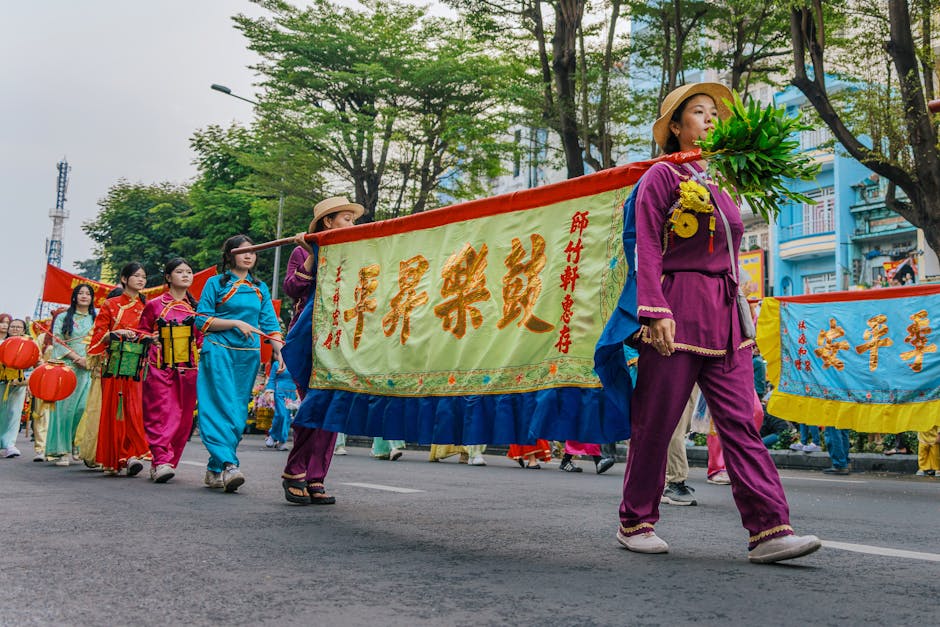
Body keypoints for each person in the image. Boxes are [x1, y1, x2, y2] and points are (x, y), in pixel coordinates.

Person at [598, 82, 820, 563]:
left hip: (726, 314)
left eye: (714, 113)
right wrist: (653, 311)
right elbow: (647, 247)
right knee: (656, 421)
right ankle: (635, 521)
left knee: (742, 421)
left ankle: (769, 531)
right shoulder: (661, 176)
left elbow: (733, 256)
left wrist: (745, 316)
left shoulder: (720, 181)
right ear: (676, 127)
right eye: (698, 112)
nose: (710, 119)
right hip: (676, 310)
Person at [280, 197, 362, 505]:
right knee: (315, 402)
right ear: (328, 222)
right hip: (310, 336)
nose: (351, 225)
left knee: (333, 403)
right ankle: (294, 471)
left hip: (341, 335)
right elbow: (292, 288)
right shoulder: (302, 251)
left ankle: (316, 475)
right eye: (346, 219)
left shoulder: (353, 255)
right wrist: (314, 255)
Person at [197, 235, 284, 493]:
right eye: (242, 252)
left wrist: (279, 352)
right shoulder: (216, 283)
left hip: (247, 357)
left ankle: (214, 469)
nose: (248, 256)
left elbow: (269, 323)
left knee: (236, 413)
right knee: (219, 406)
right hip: (218, 351)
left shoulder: (260, 288)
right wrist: (235, 323)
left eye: (252, 252)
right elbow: (201, 320)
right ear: (230, 255)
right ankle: (229, 464)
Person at [137, 258, 201, 483]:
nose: (185, 275)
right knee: (161, 412)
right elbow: (140, 332)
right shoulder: (155, 304)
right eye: (180, 271)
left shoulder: (196, 308)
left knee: (183, 418)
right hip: (159, 365)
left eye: (189, 272)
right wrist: (151, 338)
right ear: (168, 277)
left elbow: (201, 338)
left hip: (188, 368)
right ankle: (160, 459)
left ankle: (167, 462)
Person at [88, 263, 150, 476]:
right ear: (124, 279)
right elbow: (98, 336)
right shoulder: (110, 305)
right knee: (116, 410)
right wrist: (116, 332)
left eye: (143, 277)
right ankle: (117, 456)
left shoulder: (147, 306)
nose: (141, 280)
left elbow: (153, 333)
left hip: (139, 365)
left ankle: (132, 454)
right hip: (114, 364)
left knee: (135, 411)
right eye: (136, 276)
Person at [44, 285, 96, 465]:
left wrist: (89, 360)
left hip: (89, 370)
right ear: (74, 297)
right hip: (67, 369)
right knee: (64, 410)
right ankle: (62, 450)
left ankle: (77, 443)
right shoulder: (63, 317)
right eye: (80, 293)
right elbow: (57, 341)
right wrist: (76, 358)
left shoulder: (96, 318)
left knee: (83, 409)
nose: (84, 296)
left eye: (88, 294)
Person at [0, 319, 34, 458]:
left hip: (18, 384)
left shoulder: (29, 345)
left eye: (18, 327)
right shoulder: (3, 343)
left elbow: (35, 362)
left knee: (14, 413)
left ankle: (10, 444)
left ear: (23, 330)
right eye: (12, 326)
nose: (15, 329)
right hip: (2, 381)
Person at [263, 358, 296, 451]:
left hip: (292, 394)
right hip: (280, 393)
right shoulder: (277, 364)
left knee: (287, 418)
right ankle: (273, 435)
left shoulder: (297, 362)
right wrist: (269, 391)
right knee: (281, 415)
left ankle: (281, 441)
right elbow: (272, 379)